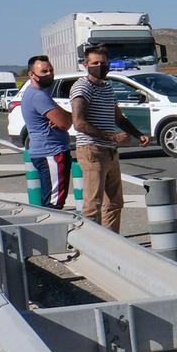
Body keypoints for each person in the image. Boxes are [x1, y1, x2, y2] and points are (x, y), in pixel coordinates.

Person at [69, 46, 150, 232]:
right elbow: (79, 123)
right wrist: (112, 136)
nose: (99, 66)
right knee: (93, 204)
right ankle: (86, 243)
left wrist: (138, 134)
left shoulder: (106, 87)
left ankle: (112, 241)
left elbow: (118, 118)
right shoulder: (82, 87)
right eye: (95, 63)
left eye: (103, 63)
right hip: (92, 150)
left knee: (114, 202)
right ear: (85, 65)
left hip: (109, 150)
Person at [19, 55, 73, 208]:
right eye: (44, 71)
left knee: (50, 198)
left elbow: (61, 120)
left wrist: (61, 116)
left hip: (45, 151)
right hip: (52, 152)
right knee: (54, 203)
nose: (49, 74)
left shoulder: (36, 93)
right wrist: (67, 115)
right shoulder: (39, 96)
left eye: (51, 70)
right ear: (31, 74)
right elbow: (65, 123)